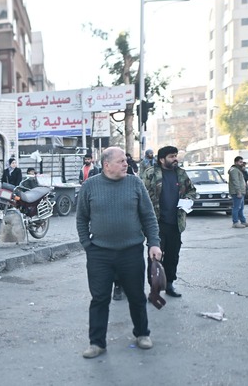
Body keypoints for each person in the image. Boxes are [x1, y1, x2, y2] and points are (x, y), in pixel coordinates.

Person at [76, 147, 162, 359]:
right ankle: (97, 343)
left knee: (136, 296)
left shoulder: (135, 183)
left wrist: (154, 243)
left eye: (126, 160)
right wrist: (88, 245)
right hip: (100, 254)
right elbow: (81, 219)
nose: (126, 164)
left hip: (130, 252)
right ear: (107, 165)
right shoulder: (89, 186)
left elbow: (148, 217)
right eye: (121, 161)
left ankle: (142, 333)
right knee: (99, 299)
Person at [143, 145, 196, 298]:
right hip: (156, 224)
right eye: (171, 156)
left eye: (175, 156)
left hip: (175, 224)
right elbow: (142, 194)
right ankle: (154, 289)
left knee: (173, 256)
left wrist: (188, 199)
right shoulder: (151, 174)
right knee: (155, 259)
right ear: (161, 159)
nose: (175, 159)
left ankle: (169, 285)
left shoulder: (181, 174)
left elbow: (192, 191)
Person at [228, 156, 248, 229]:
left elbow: (246, 178)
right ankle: (235, 222)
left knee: (241, 208)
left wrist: (244, 170)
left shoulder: (239, 170)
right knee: (236, 207)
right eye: (240, 162)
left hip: (242, 191)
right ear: (236, 162)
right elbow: (236, 181)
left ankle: (243, 221)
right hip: (237, 192)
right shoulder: (234, 170)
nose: (242, 163)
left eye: (242, 162)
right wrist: (238, 192)